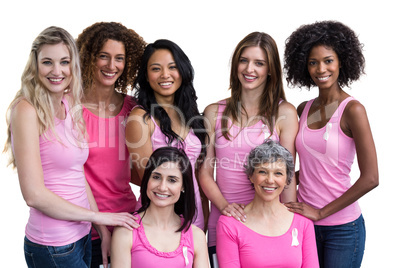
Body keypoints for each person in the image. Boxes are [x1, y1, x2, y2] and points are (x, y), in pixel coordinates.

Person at [3, 26, 138, 268]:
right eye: (47, 62)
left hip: (82, 236)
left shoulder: (68, 103)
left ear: (72, 65)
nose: (56, 71)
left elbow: (78, 174)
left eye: (64, 62)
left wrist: (101, 229)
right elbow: (33, 195)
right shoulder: (25, 110)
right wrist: (99, 217)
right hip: (52, 243)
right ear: (34, 65)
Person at [283, 20, 379, 267]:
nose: (320, 69)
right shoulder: (304, 109)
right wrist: (276, 179)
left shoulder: (353, 110)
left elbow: (371, 178)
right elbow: (317, 166)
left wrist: (322, 213)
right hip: (305, 224)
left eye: (328, 60)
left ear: (341, 62)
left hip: (343, 229)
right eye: (313, 62)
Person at [199, 31, 299, 266]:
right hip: (223, 222)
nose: (249, 69)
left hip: (268, 224)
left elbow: (287, 175)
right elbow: (204, 171)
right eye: (244, 60)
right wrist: (225, 207)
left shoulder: (284, 113)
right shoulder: (214, 112)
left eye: (259, 63)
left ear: (270, 69)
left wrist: (289, 222)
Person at [76, 21, 146, 268]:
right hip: (83, 230)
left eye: (119, 58)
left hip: (128, 224)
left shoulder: (134, 109)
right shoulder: (69, 108)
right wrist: (99, 226)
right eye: (103, 57)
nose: (111, 65)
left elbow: (139, 173)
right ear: (88, 58)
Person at [126, 39, 208, 230]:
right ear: (146, 76)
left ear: (183, 71)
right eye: (156, 68)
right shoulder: (141, 119)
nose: (165, 75)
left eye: (172, 67)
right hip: (159, 220)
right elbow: (149, 180)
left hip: (195, 217)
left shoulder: (192, 116)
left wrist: (204, 216)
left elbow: (198, 177)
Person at [216, 140, 318, 267]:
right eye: (262, 172)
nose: (270, 180)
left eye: (278, 173)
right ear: (251, 176)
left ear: (287, 180)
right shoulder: (229, 225)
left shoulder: (303, 224)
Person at [111, 147, 209, 267]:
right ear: (147, 179)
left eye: (172, 180)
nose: (162, 187)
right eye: (156, 177)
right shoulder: (126, 231)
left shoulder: (196, 236)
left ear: (183, 186)